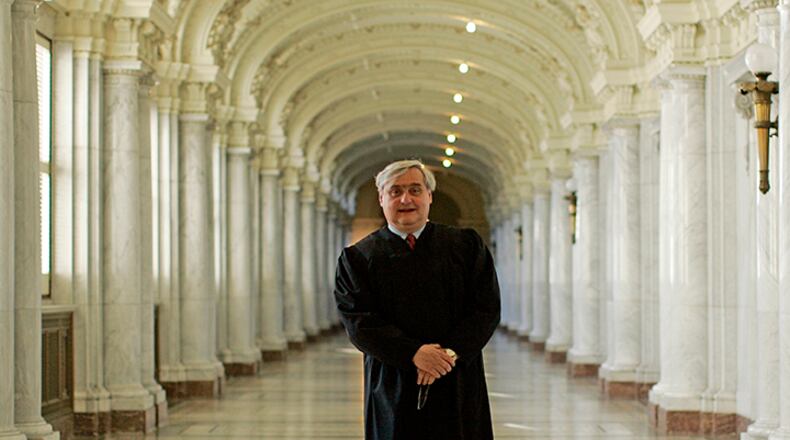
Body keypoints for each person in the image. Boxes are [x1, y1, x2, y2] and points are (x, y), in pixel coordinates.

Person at [334, 159, 501, 440]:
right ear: (381, 198)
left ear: (429, 196)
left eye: (415, 189)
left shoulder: (467, 246)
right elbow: (358, 323)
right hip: (392, 381)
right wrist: (414, 353)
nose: (405, 199)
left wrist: (447, 355)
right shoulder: (358, 258)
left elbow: (486, 309)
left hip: (457, 376)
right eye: (395, 191)